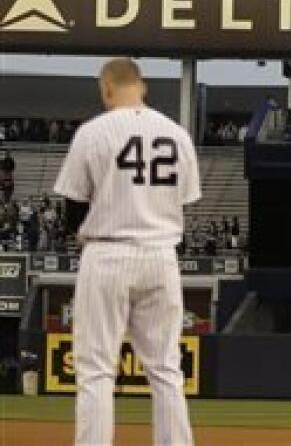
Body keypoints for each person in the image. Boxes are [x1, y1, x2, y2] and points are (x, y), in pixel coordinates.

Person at [52, 58, 200, 446]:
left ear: (106, 90)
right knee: (167, 370)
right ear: (143, 87)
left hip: (107, 254)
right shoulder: (177, 134)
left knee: (97, 370)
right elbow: (183, 202)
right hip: (160, 255)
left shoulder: (93, 132)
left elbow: (73, 208)